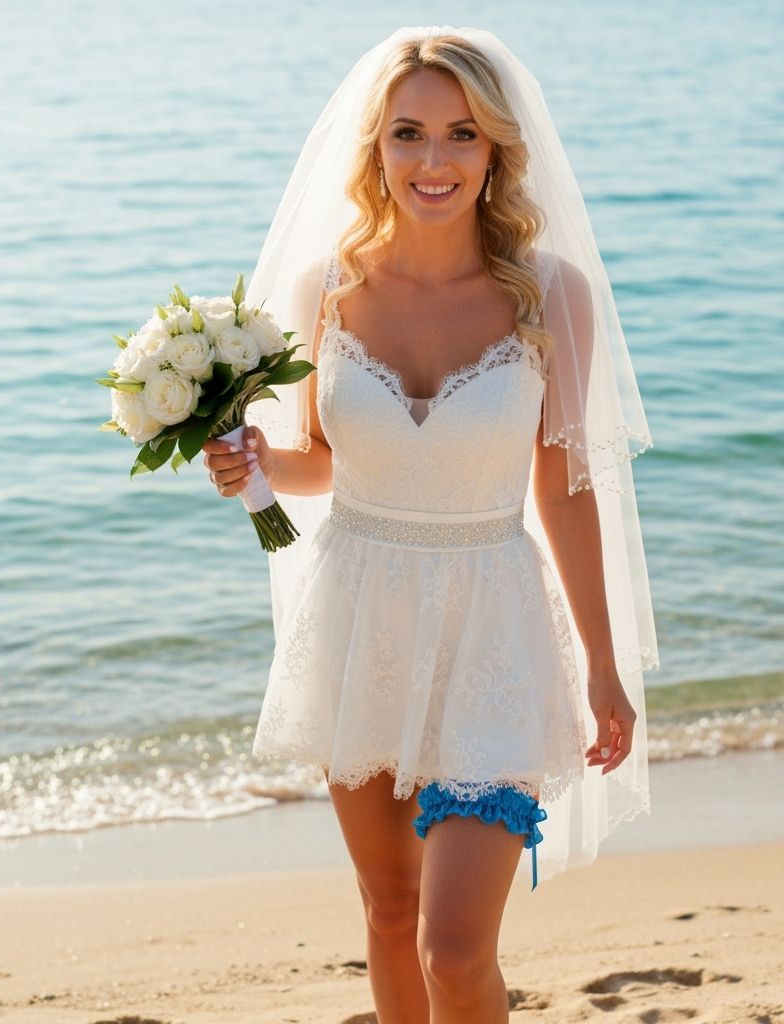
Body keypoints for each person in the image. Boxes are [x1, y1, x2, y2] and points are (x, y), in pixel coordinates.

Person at [203, 26, 659, 1024]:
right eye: (409, 134)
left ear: (495, 148)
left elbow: (566, 489)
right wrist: (251, 465)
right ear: (376, 147)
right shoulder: (324, 290)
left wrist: (601, 661)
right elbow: (318, 461)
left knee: (454, 951)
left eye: (461, 135)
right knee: (387, 907)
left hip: (492, 630)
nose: (435, 160)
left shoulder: (548, 296)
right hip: (360, 619)